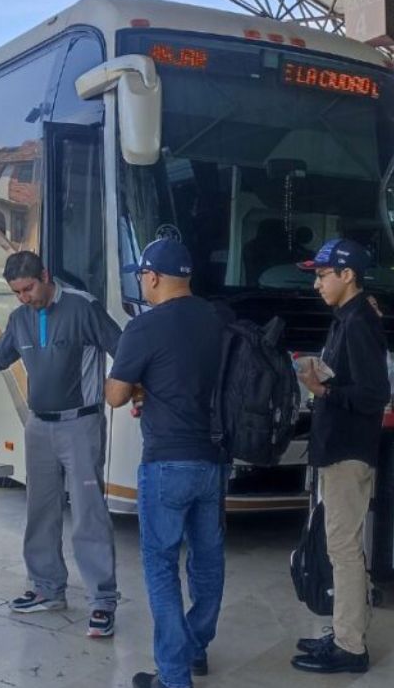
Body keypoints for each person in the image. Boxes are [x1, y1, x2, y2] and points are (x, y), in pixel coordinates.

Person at [0, 250, 122, 638]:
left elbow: (125, 349)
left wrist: (135, 391)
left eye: (29, 288)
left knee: (88, 513)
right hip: (38, 427)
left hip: (80, 425)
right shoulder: (19, 320)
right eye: (17, 292)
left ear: (46, 276)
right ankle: (47, 589)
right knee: (40, 509)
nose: (25, 298)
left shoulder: (84, 307)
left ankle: (103, 600)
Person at [105, 239, 227, 688]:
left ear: (152, 277)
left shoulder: (146, 326)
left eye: (142, 276)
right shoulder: (218, 319)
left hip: (166, 462)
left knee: (160, 566)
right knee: (208, 562)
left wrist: (136, 386)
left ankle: (174, 677)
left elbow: (116, 395)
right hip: (213, 459)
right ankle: (196, 647)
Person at [292, 238, 390, 674]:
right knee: (341, 545)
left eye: (322, 274)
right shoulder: (347, 318)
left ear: (347, 275)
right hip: (337, 448)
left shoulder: (359, 322)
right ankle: (345, 627)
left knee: (344, 548)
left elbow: (374, 394)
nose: (317, 284)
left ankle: (351, 647)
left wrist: (323, 389)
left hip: (348, 452)